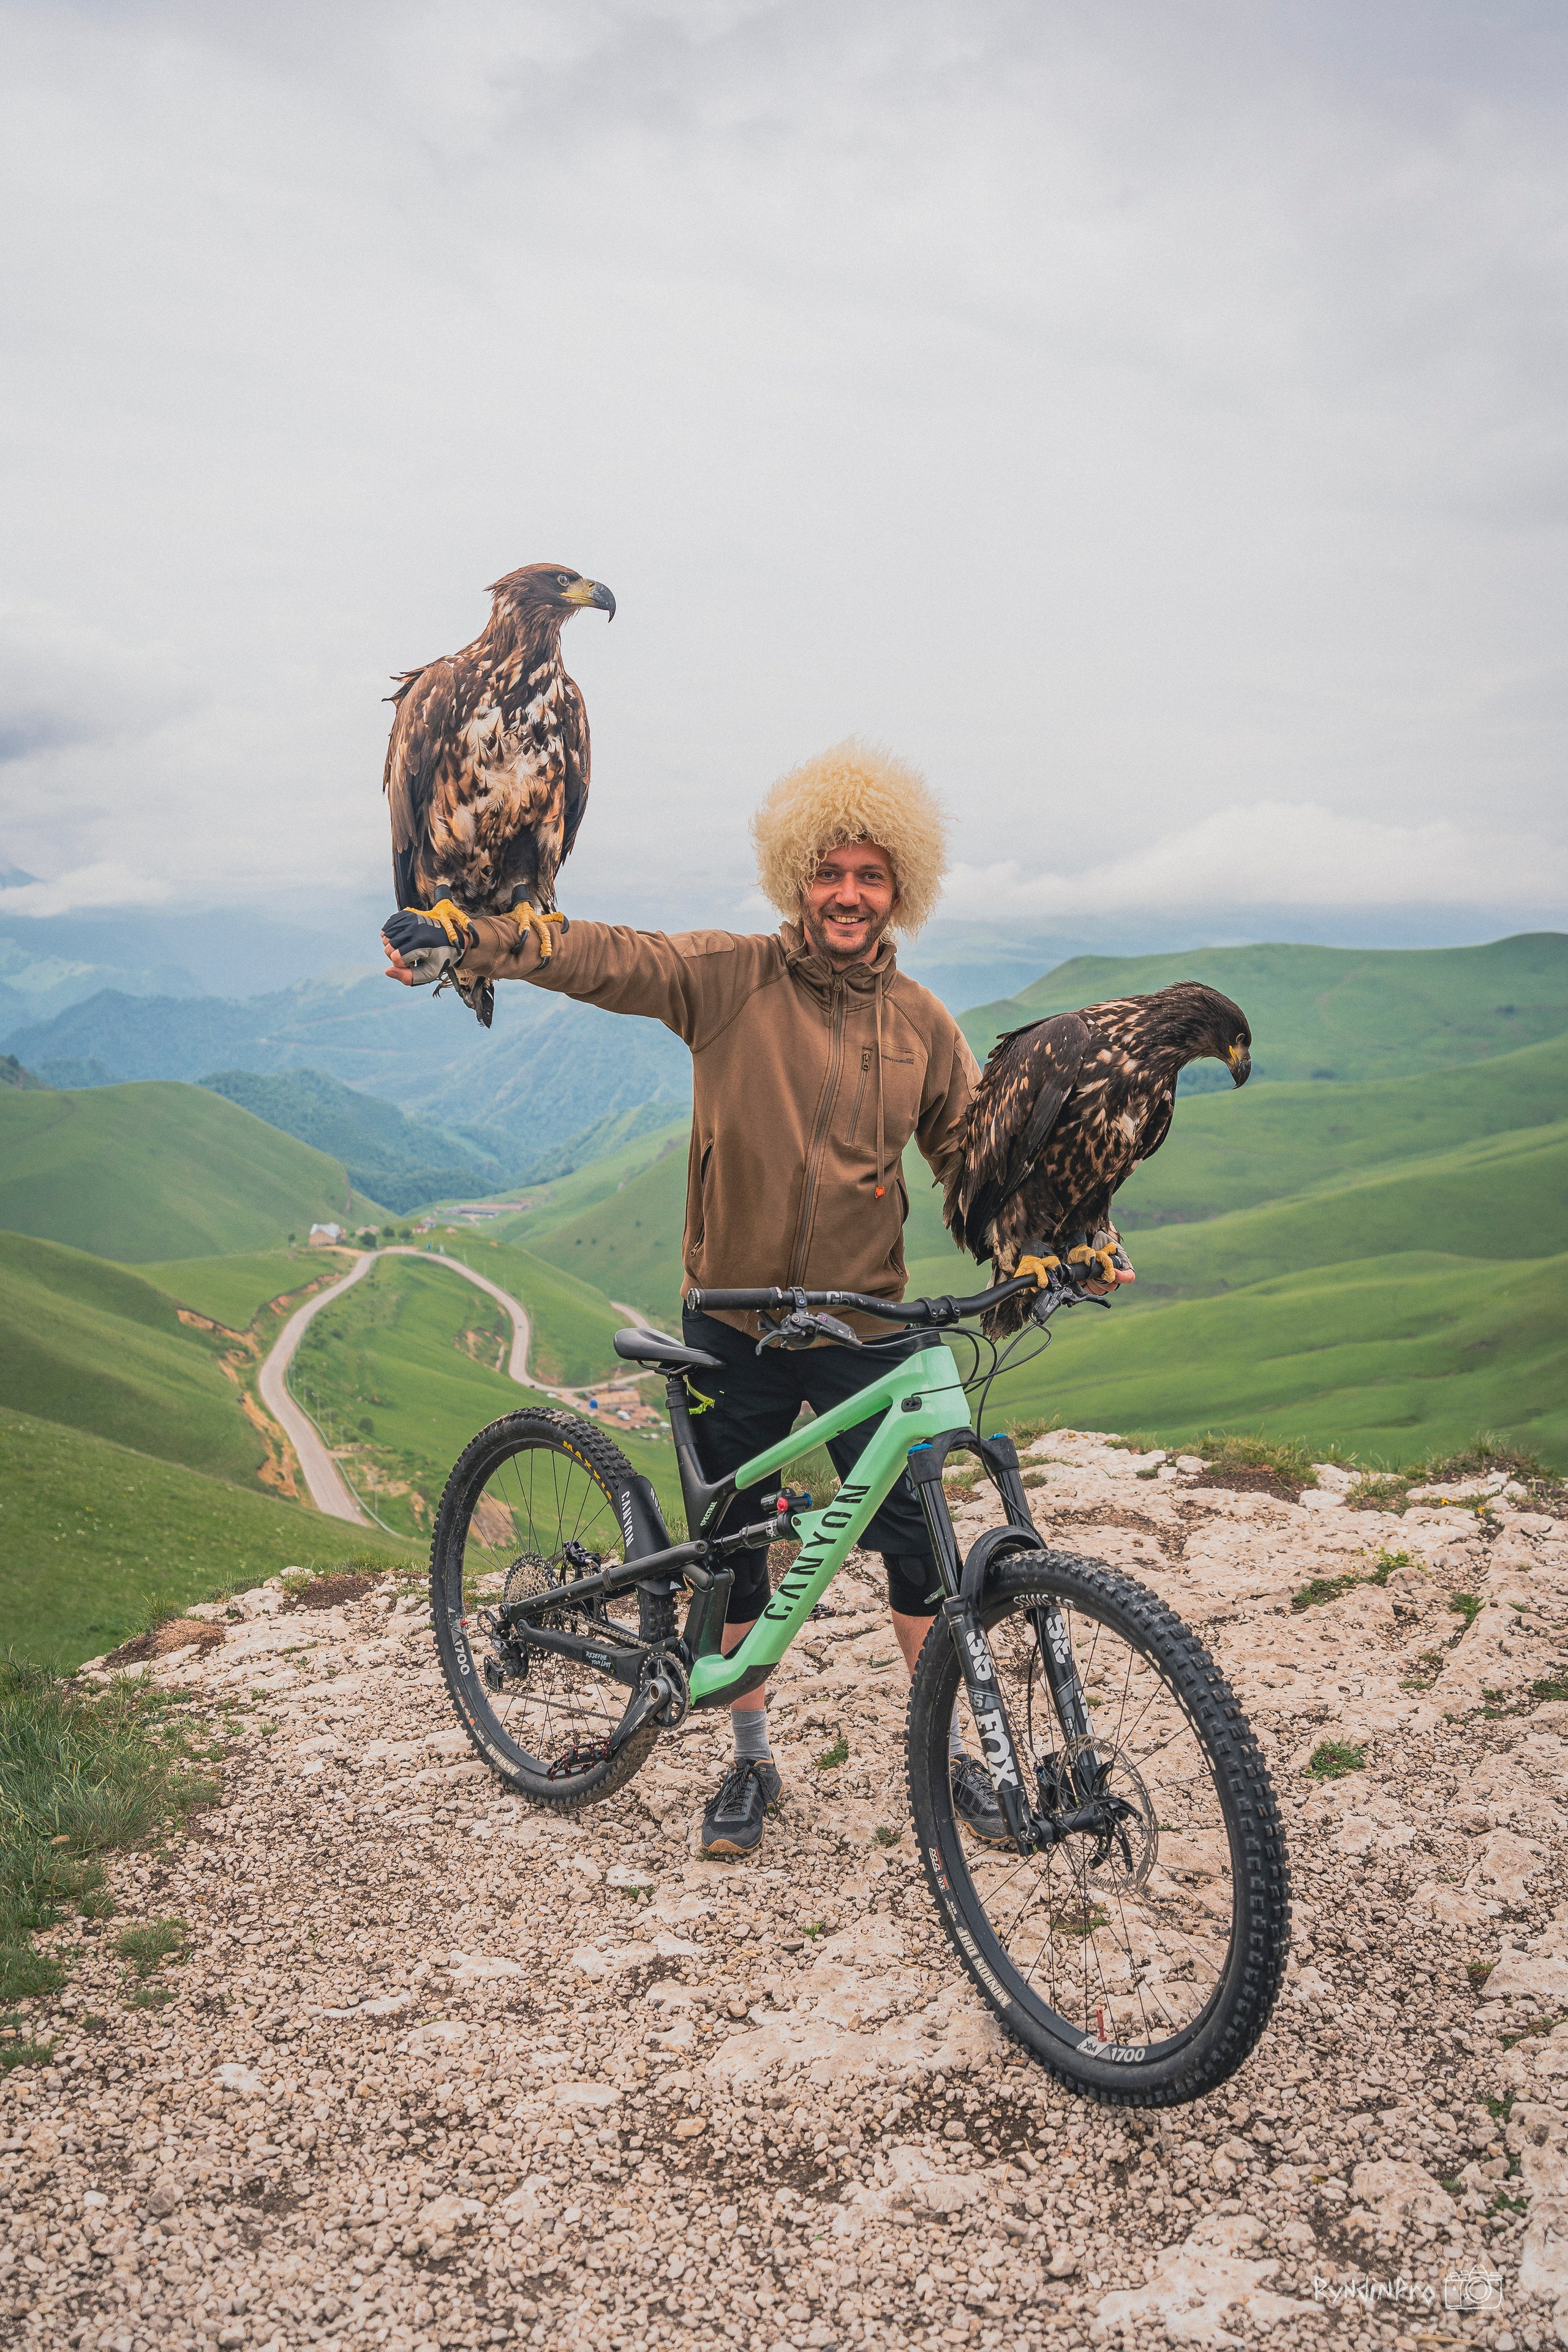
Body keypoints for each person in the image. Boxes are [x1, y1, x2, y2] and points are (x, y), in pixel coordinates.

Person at [382, 740, 1133, 1857]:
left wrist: (1067, 1242)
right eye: (829, 871)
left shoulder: (923, 1025)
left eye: (870, 876)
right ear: (797, 878)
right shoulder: (729, 979)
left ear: (900, 890)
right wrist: (473, 938)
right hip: (730, 1320)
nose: (847, 893)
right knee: (735, 1556)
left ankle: (963, 1757)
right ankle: (748, 1764)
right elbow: (603, 955)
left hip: (865, 1324)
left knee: (922, 1552)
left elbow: (984, 1168)